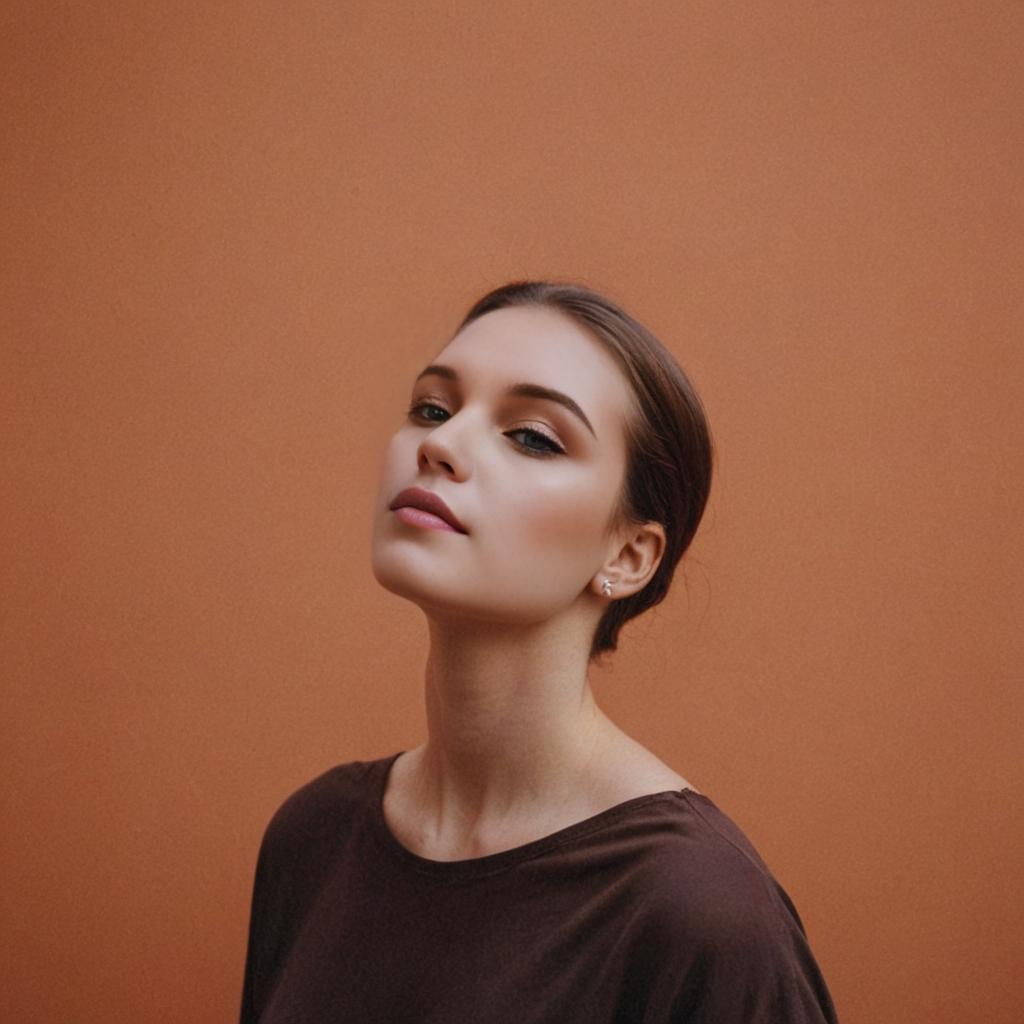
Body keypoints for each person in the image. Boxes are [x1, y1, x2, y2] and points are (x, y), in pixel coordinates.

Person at [238, 281, 838, 1023]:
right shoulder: (314, 838)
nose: (440, 444)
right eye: (433, 407)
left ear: (628, 555)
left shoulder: (700, 915)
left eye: (532, 437)